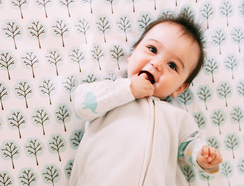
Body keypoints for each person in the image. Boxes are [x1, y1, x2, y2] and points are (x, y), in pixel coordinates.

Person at [69, 13, 223, 186]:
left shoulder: (177, 117)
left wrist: (200, 155)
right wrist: (129, 89)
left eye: (172, 65)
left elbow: (187, 145)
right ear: (133, 52)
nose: (156, 64)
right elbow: (83, 104)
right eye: (152, 49)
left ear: (180, 88)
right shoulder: (111, 92)